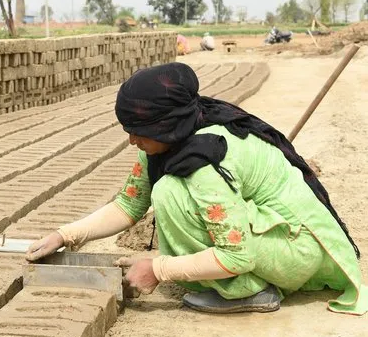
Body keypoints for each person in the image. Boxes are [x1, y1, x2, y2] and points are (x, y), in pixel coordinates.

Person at [26, 62, 367, 315]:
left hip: (298, 247)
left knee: (170, 193)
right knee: (168, 191)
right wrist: (65, 235)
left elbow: (238, 254)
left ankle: (248, 291)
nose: (131, 140)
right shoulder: (168, 141)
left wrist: (159, 269)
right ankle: (239, 281)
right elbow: (128, 207)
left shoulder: (205, 161)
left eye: (138, 131)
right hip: (274, 235)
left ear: (165, 125)